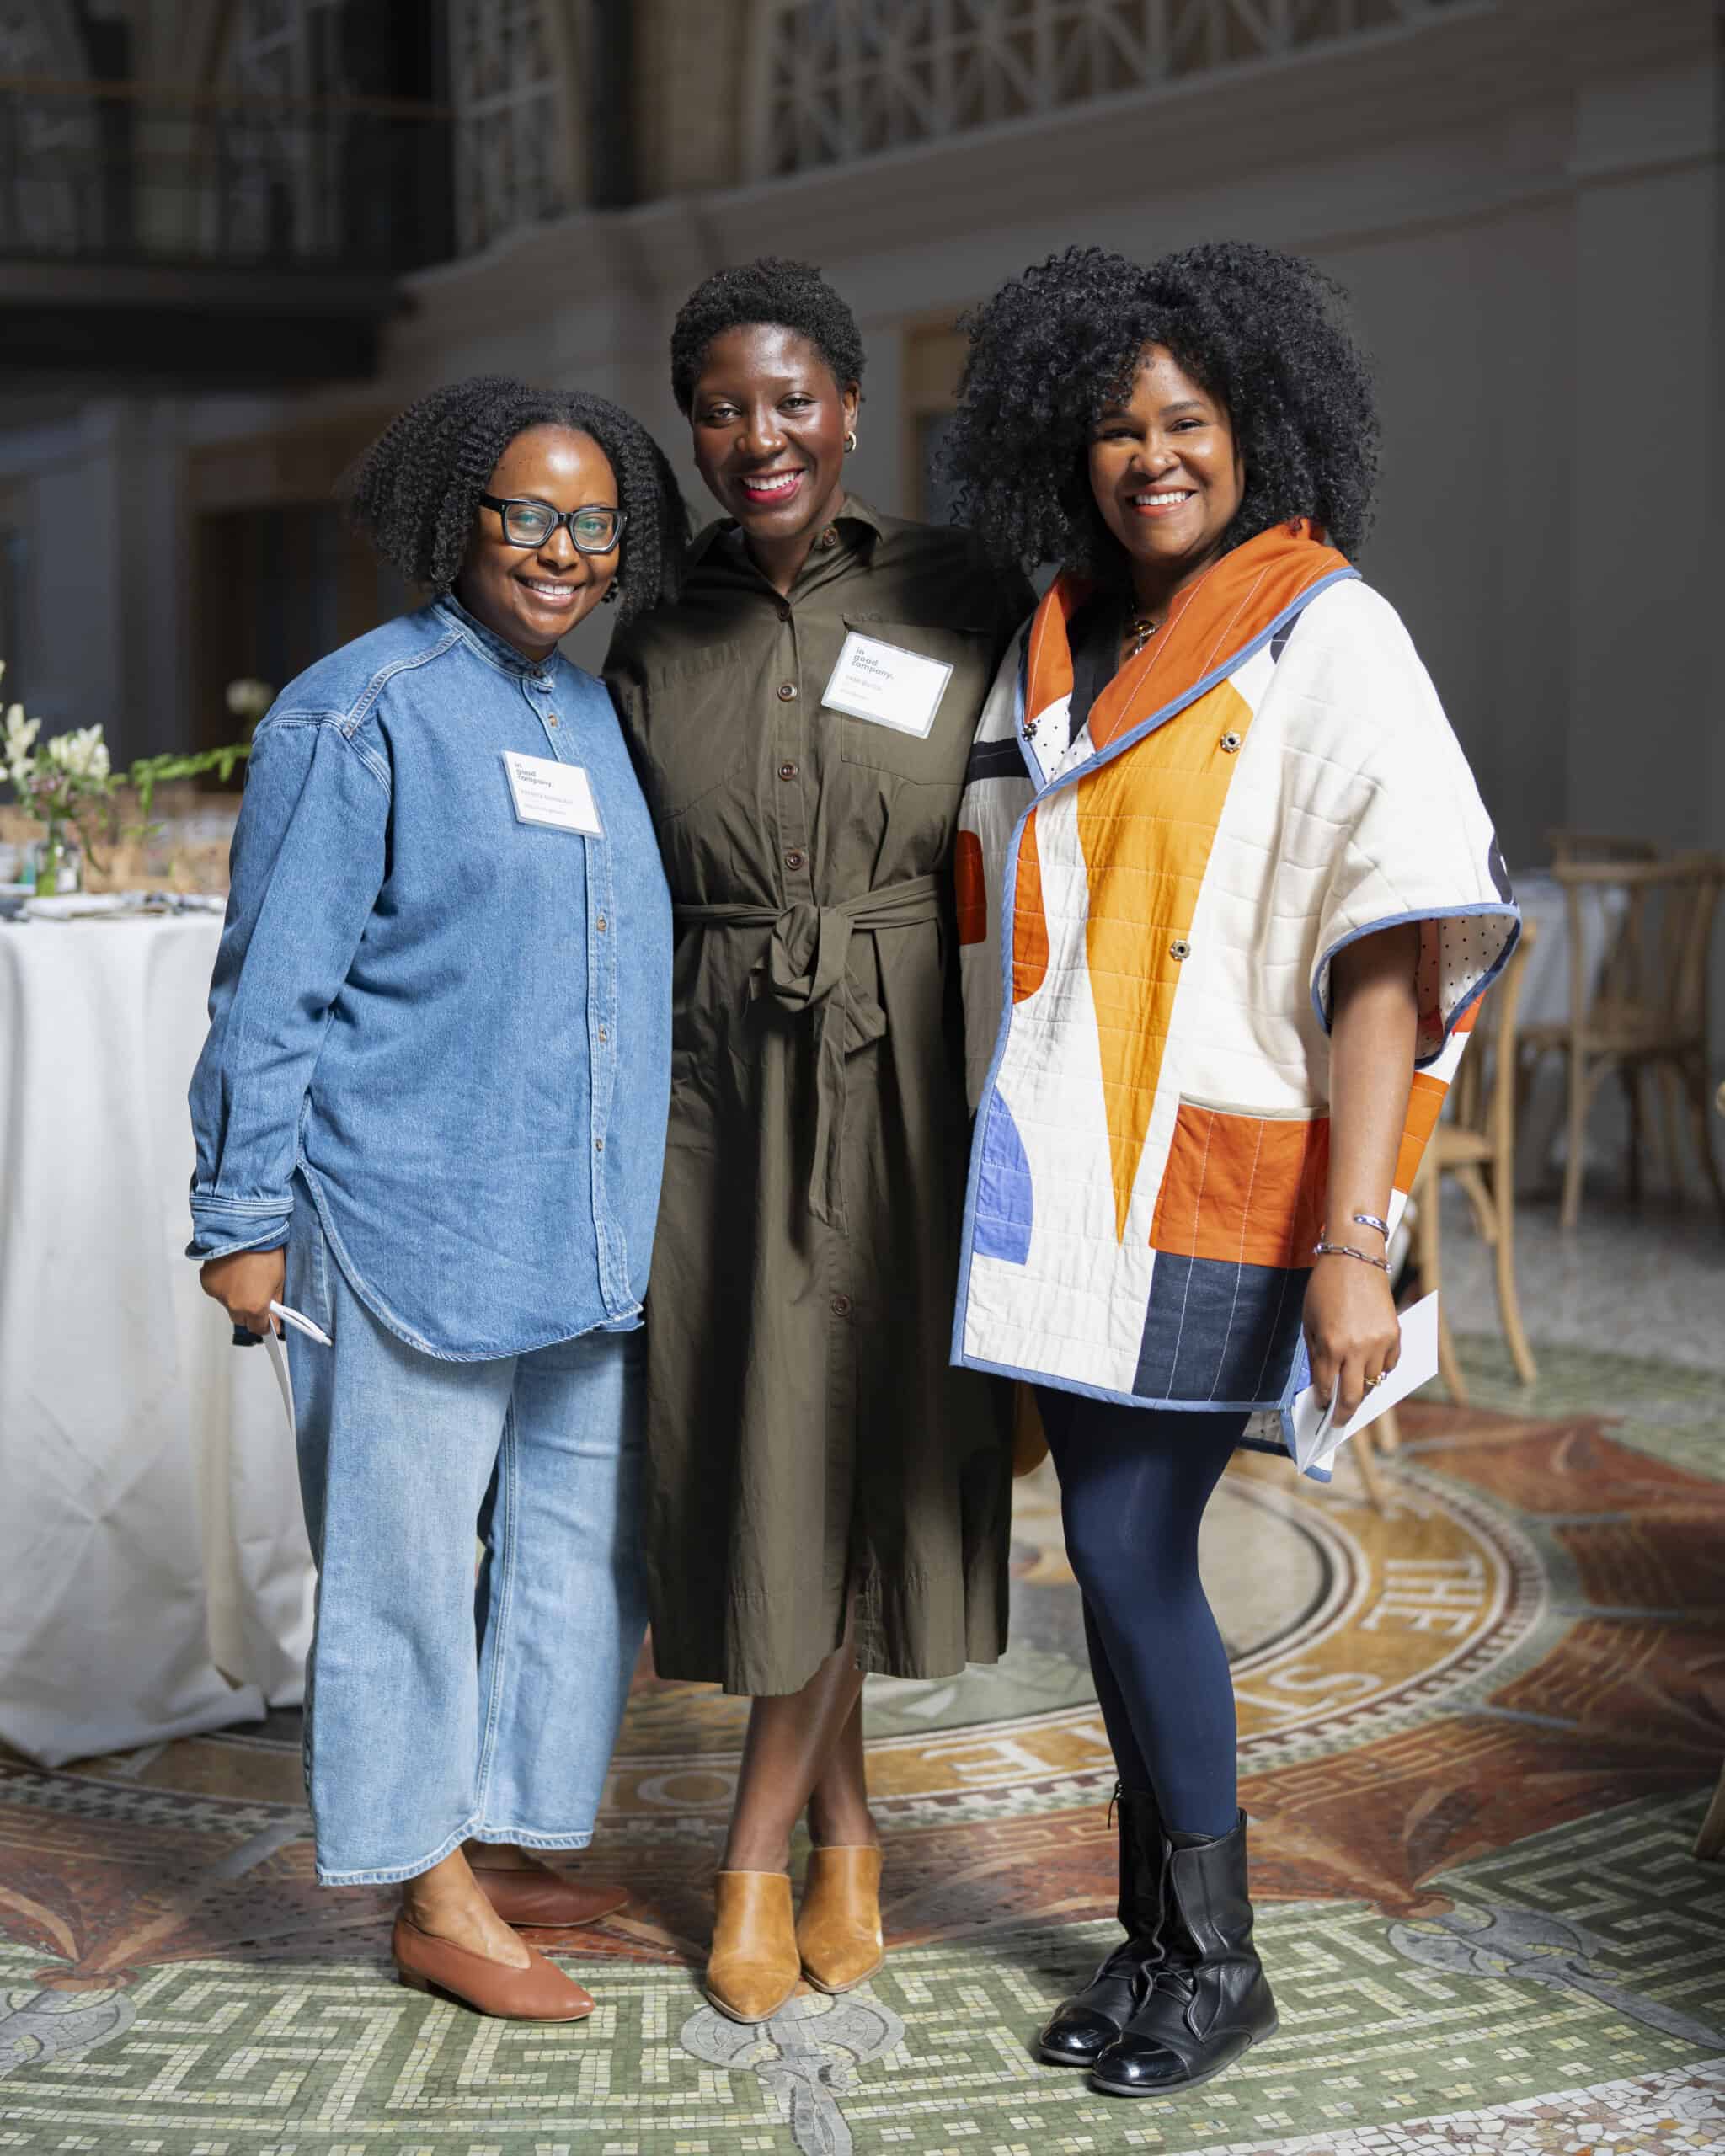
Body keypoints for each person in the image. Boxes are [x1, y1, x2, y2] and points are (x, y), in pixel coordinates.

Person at [942, 243, 1519, 2096]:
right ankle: (1153, 1942)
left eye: (1185, 422)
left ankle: (1219, 1953)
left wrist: (1358, 1241)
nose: (1151, 458)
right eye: (1117, 429)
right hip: (1068, 1181)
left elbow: (1387, 942)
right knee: (1111, 1563)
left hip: (1227, 1179)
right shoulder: (1061, 632)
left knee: (1129, 1548)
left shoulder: (1324, 629)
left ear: (1253, 429)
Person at [189, 378, 686, 2024]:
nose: (560, 550)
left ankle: (500, 1833)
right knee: (404, 1568)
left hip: (582, 1225)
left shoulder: (593, 715)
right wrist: (240, 1215)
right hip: (403, 1213)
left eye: (591, 522)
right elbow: (271, 986)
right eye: (526, 514)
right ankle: (427, 1887)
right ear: (458, 516)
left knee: (573, 1551)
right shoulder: (358, 711)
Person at [603, 258, 1032, 2024]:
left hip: (908, 1061)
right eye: (722, 407)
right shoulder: (651, 625)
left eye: (791, 398)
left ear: (849, 407)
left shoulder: (965, 589)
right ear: (693, 430)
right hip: (715, 1077)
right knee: (774, 1445)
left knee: (869, 1434)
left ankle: (757, 1850)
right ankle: (847, 1826)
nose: (758, 433)